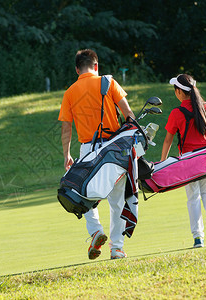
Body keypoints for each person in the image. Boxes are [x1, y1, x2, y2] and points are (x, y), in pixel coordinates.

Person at [58, 49, 135, 259]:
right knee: (117, 199)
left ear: (77, 69)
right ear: (96, 65)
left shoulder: (70, 92)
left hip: (87, 149)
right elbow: (128, 114)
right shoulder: (109, 83)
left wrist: (67, 154)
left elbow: (66, 128)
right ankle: (117, 248)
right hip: (114, 147)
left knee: (84, 193)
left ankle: (95, 232)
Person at [161, 74, 206, 248]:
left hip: (188, 161)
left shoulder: (176, 113)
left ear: (180, 92)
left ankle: (198, 237)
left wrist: (163, 163)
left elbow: (168, 140)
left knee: (193, 198)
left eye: (175, 90)